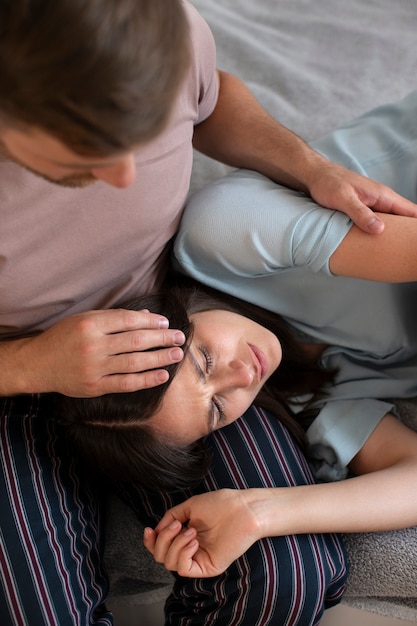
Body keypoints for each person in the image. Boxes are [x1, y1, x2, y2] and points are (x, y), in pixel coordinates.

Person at [4, 0, 410, 624]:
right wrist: (31, 366)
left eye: (142, 135)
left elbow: (211, 99)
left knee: (280, 577)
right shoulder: (309, 391)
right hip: (18, 372)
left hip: (174, 306)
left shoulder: (151, 36)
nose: (125, 176)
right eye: (86, 151)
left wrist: (309, 167)